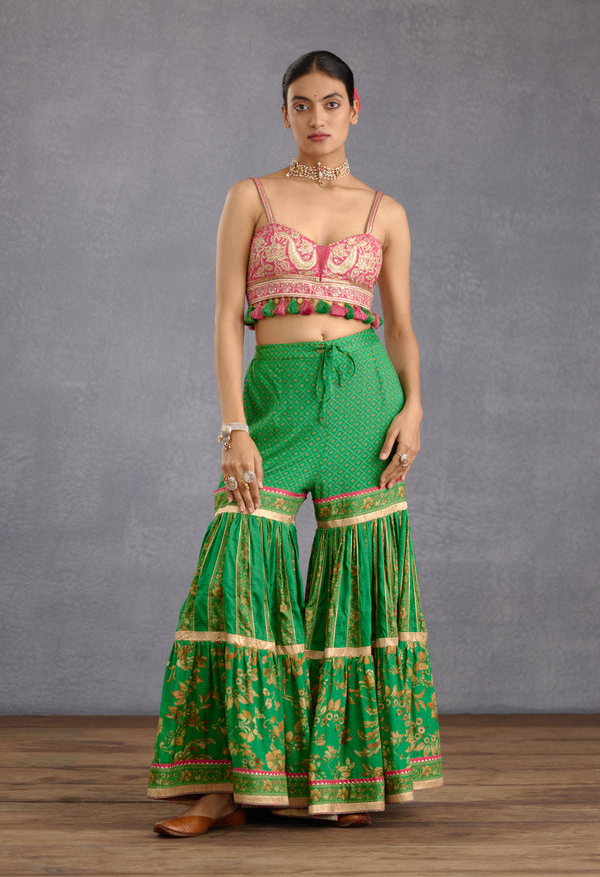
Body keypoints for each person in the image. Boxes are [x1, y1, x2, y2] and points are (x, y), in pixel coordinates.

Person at [148, 50, 443, 836]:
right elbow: (224, 318)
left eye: (331, 102)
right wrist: (233, 425)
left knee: (357, 581)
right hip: (275, 401)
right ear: (284, 113)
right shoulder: (250, 196)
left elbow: (401, 326)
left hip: (363, 398)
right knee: (237, 567)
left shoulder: (385, 211)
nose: (318, 118)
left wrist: (415, 406)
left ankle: (345, 779)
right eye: (302, 104)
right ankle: (226, 786)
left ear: (355, 109)